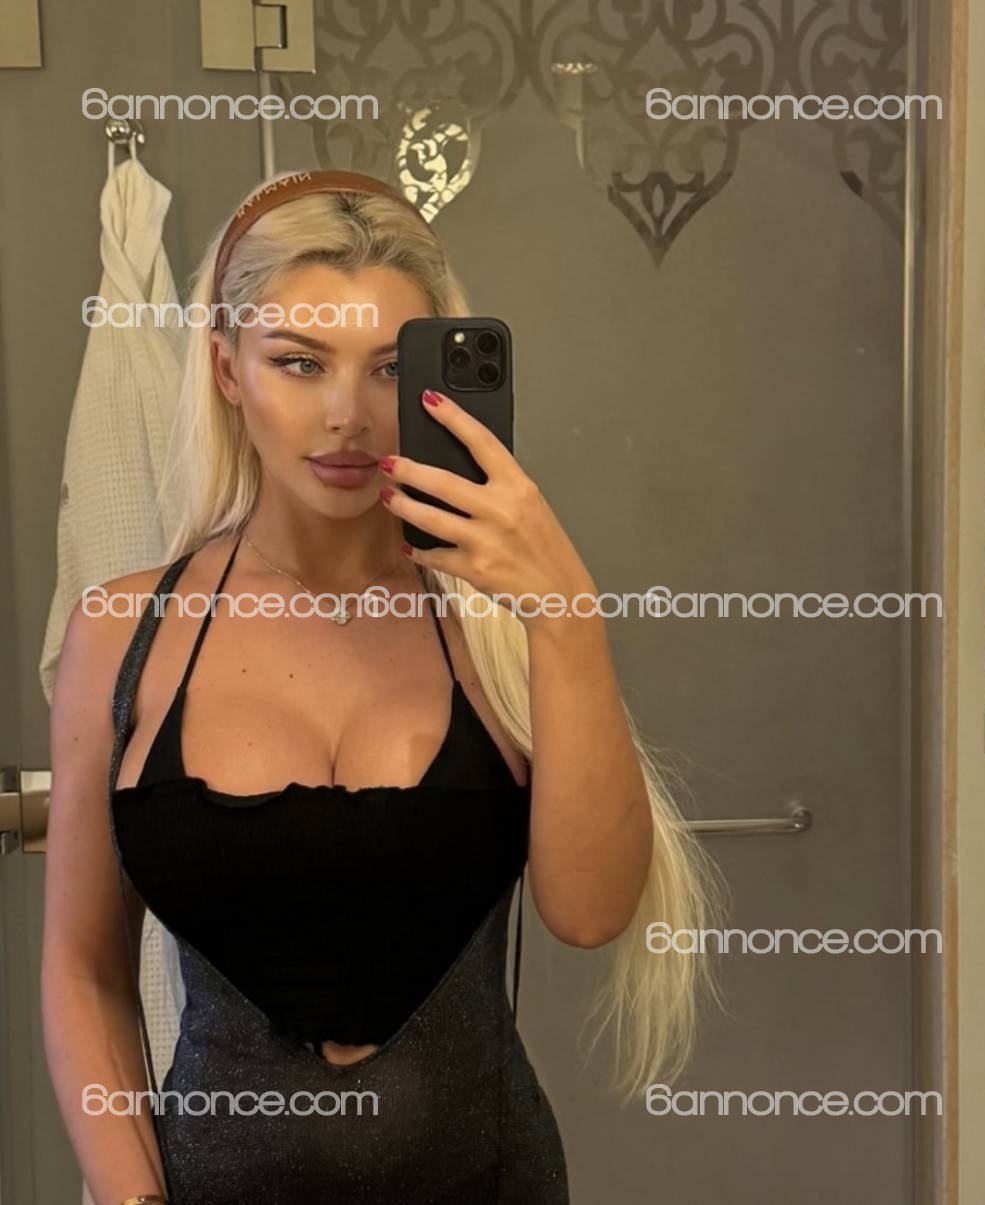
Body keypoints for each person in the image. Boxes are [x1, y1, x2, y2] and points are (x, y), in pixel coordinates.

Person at [41, 170, 722, 1204]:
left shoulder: (500, 625)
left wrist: (568, 618)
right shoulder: (122, 631)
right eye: (299, 362)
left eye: (390, 370)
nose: (347, 416)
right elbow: (85, 969)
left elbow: (590, 912)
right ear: (227, 369)